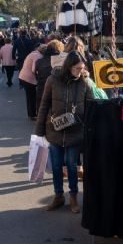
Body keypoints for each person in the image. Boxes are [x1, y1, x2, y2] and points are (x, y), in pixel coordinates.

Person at [34, 51, 93, 214]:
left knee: (72, 166)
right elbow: (44, 104)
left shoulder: (85, 82)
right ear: (68, 67)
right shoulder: (53, 80)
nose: (79, 71)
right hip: (54, 131)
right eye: (76, 68)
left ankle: (73, 196)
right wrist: (39, 129)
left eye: (82, 68)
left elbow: (92, 107)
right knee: (57, 165)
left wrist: (89, 129)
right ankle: (58, 195)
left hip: (75, 132)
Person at [34, 40, 63, 110]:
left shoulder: (39, 61)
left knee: (42, 111)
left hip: (41, 89)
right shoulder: (62, 61)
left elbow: (36, 74)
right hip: (57, 92)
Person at [19, 44, 45, 120]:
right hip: (29, 78)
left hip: (24, 76)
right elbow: (34, 69)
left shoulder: (33, 53)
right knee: (32, 97)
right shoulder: (38, 56)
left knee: (30, 96)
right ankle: (32, 114)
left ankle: (31, 114)